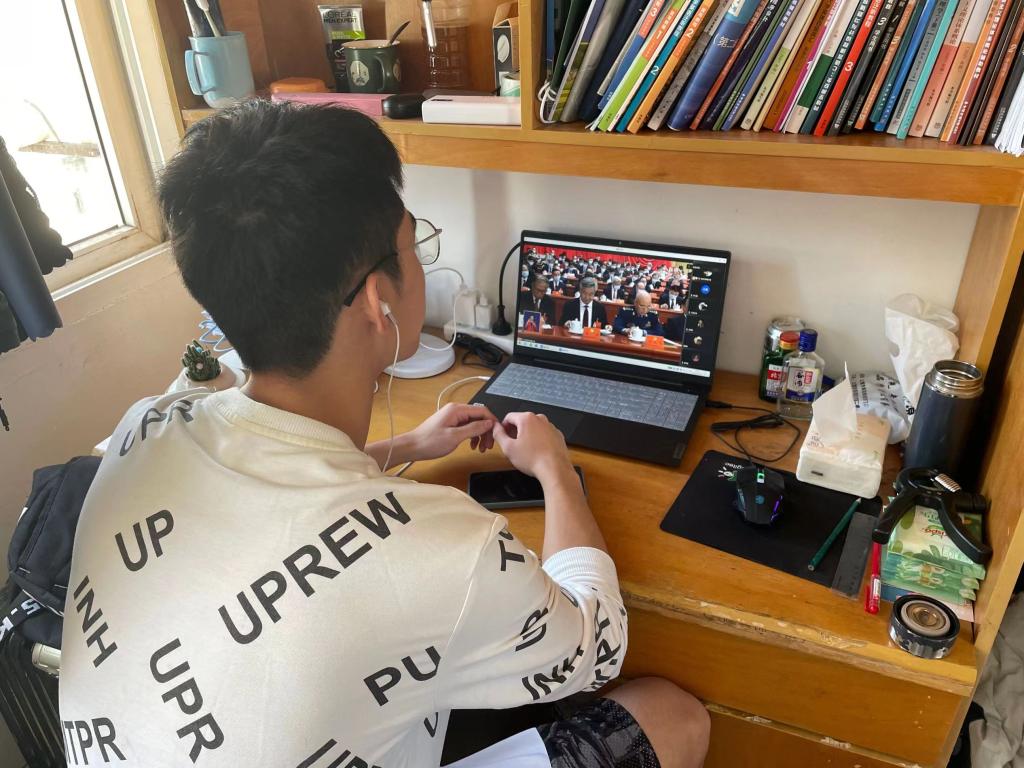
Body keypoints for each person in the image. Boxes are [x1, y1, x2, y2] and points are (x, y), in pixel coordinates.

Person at [57, 102, 709, 768]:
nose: (421, 260)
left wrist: (406, 448)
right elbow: (597, 647)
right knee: (673, 717)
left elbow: (275, 489)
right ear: (378, 301)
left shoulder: (147, 424)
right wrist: (556, 473)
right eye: (415, 244)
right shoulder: (448, 548)